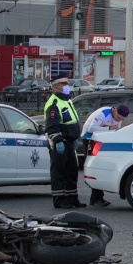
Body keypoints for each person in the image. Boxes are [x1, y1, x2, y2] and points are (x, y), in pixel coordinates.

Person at [44, 77, 85, 209]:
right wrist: (58, 140)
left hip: (69, 142)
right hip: (60, 143)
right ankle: (59, 200)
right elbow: (52, 125)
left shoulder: (67, 100)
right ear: (56, 86)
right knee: (59, 172)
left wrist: (74, 139)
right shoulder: (54, 102)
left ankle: (72, 198)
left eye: (67, 83)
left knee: (71, 172)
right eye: (63, 83)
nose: (67, 85)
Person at [81, 104, 130, 206]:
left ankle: (96, 198)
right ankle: (96, 197)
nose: (119, 120)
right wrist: (108, 129)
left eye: (122, 119)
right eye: (118, 118)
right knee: (95, 167)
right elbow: (91, 129)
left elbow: (115, 131)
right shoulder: (103, 114)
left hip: (101, 139)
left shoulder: (119, 118)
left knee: (101, 167)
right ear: (115, 110)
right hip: (89, 139)